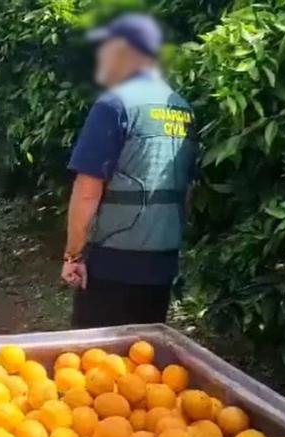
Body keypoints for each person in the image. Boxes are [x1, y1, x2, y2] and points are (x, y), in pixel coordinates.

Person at [61, 14, 198, 329]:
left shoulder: (114, 106)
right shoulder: (182, 108)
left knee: (96, 363)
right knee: (144, 362)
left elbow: (87, 191)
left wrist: (73, 255)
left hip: (114, 263)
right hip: (162, 263)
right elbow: (186, 189)